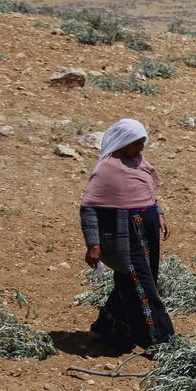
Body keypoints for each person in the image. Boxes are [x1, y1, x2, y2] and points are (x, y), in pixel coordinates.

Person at [79, 118, 175, 352]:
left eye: (143, 142)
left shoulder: (138, 161)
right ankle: (160, 341)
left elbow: (147, 191)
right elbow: (89, 208)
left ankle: (107, 326)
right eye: (137, 143)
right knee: (142, 286)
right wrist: (93, 244)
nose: (141, 147)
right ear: (123, 141)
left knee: (136, 279)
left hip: (147, 230)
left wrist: (159, 212)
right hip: (125, 234)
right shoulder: (107, 169)